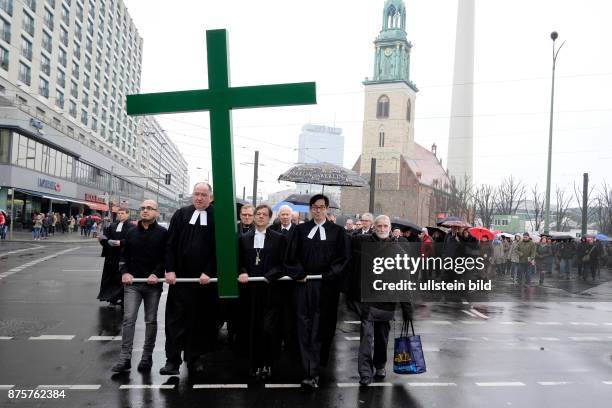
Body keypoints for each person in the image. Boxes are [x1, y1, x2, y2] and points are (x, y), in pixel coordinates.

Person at [286, 194, 351, 389]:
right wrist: (298, 272)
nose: (318, 210)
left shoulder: (338, 232)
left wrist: (329, 275)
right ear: (310, 208)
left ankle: (314, 368)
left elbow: (344, 259)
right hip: (303, 285)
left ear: (327, 209)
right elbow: (290, 255)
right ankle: (308, 370)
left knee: (321, 328)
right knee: (303, 326)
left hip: (326, 287)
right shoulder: (299, 230)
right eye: (314, 207)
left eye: (321, 207)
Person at [161, 182, 219, 375]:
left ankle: (194, 359)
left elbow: (219, 248)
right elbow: (170, 243)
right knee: (175, 321)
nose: (199, 198)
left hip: (203, 282)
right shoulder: (181, 214)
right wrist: (169, 269)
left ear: (210, 197)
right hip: (179, 280)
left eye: (204, 194)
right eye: (196, 194)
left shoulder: (216, 216)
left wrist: (209, 271)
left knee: (199, 322)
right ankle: (172, 361)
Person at [347, 215, 411, 386]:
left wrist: (407, 309)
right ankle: (365, 373)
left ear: (390, 228)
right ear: (374, 227)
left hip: (387, 301)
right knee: (366, 338)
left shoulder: (398, 251)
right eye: (379, 226)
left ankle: (380, 365)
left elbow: (404, 281)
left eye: (385, 226)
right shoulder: (362, 243)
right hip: (367, 301)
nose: (382, 229)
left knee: (382, 337)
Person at [111, 200, 167, 373]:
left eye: (149, 208)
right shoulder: (131, 232)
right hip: (133, 284)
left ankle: (146, 357)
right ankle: (125, 358)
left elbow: (165, 257)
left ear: (157, 212)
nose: (145, 211)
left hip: (152, 285)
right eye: (142, 208)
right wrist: (125, 272)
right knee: (128, 320)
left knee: (150, 321)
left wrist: (156, 274)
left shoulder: (163, 233)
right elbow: (123, 256)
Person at [238, 204, 287, 380]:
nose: (260, 217)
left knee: (269, 329)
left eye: (264, 214)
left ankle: (268, 363)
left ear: (269, 218)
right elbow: (240, 261)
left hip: (270, 290)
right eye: (257, 214)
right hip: (251, 292)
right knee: (252, 329)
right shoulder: (244, 238)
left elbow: (283, 263)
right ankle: (254, 363)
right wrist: (243, 271)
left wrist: (269, 276)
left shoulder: (279, 238)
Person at [269, 204, 298, 356]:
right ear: (279, 216)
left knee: (290, 312)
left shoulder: (297, 231)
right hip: (276, 278)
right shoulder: (272, 230)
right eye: (283, 214)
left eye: (287, 214)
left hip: (291, 279)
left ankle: (289, 341)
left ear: (291, 216)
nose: (285, 217)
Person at [97, 208, 134, 306]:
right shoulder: (112, 225)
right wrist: (104, 240)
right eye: (119, 213)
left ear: (127, 214)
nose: (120, 215)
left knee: (122, 279)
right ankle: (112, 299)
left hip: (124, 256)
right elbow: (105, 236)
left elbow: (134, 240)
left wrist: (121, 242)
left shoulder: (132, 227)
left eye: (122, 213)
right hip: (111, 256)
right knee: (111, 278)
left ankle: (123, 300)